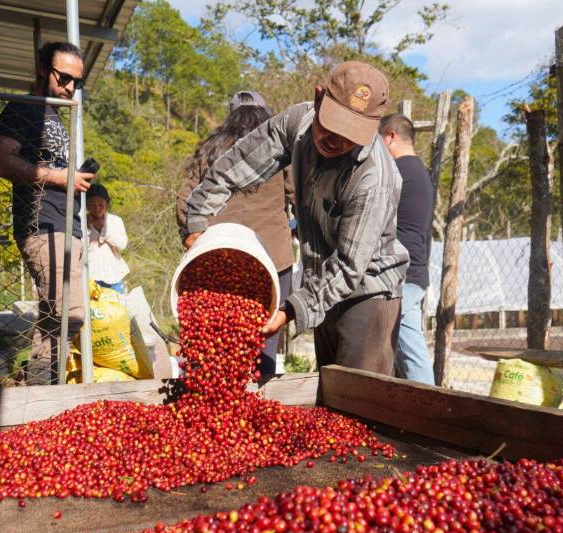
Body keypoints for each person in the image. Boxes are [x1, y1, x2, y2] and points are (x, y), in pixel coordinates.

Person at [184, 61, 409, 390]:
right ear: (318, 99)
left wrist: (291, 309)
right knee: (330, 396)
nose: (335, 140)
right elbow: (240, 162)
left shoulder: (374, 178)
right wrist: (198, 216)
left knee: (359, 408)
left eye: (349, 135)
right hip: (323, 281)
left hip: (369, 294)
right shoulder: (298, 122)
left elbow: (349, 267)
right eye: (331, 125)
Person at [0, 41, 95, 384]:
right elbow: (1, 160)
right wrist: (61, 177)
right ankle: (38, 389)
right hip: (42, 225)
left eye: (77, 82)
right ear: (41, 69)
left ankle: (37, 391)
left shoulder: (52, 114)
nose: (69, 88)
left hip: (66, 226)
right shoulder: (24, 108)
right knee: (70, 314)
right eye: (63, 78)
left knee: (58, 318)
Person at [177, 91, 295, 375]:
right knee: (264, 341)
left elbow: (185, 198)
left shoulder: (210, 148)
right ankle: (257, 407)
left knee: (211, 352)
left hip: (218, 259)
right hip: (273, 261)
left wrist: (192, 234)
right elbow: (299, 196)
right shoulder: (281, 150)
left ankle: (207, 405)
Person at [379, 114, 436, 385]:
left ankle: (431, 412)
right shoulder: (418, 172)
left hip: (403, 274)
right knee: (404, 348)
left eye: (379, 141)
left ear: (390, 136)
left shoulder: (399, 171)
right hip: (412, 271)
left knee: (411, 352)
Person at [87, 183, 130, 294]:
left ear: (107, 204)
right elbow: (79, 249)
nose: (97, 208)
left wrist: (103, 229)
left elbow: (122, 244)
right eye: (92, 204)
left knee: (116, 308)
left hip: (114, 274)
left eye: (101, 204)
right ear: (86, 205)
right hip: (91, 276)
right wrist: (88, 229)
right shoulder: (81, 222)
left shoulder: (115, 220)